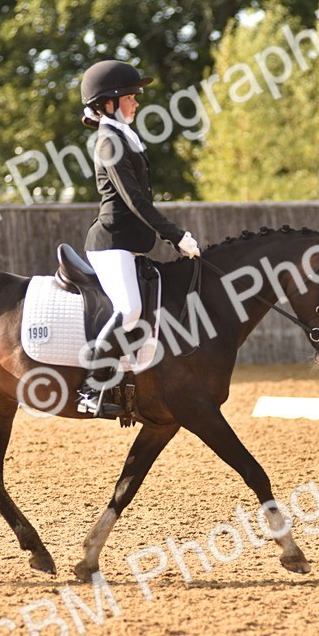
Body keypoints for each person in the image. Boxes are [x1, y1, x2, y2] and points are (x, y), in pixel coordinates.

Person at [76, 59, 201, 417]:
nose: (136, 103)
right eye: (131, 97)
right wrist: (175, 237)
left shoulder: (123, 137)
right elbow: (136, 201)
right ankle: (90, 387)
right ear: (109, 102)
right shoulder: (107, 142)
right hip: (112, 242)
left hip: (130, 244)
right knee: (129, 309)